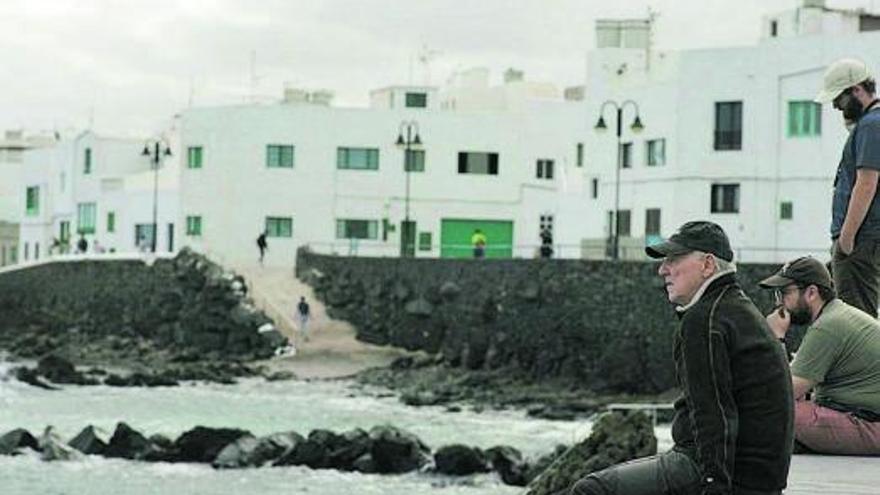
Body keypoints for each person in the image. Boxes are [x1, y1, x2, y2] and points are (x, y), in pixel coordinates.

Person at [570, 221, 793, 495]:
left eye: (674, 259)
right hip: (760, 476)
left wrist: (714, 485)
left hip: (726, 473)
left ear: (707, 265)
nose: (662, 269)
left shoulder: (704, 320)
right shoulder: (736, 308)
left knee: (590, 489)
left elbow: (715, 412)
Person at [760, 256, 880, 455]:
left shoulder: (828, 326)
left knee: (775, 412)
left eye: (784, 293)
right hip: (863, 417)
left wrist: (776, 337)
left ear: (811, 292)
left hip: (870, 424)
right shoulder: (836, 315)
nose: (779, 303)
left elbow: (781, 393)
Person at [815, 58, 880, 317]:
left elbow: (866, 183)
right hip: (863, 238)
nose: (835, 106)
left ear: (856, 90)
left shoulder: (871, 125)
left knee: (856, 322)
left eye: (839, 98)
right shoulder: (869, 125)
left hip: (861, 238)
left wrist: (846, 239)